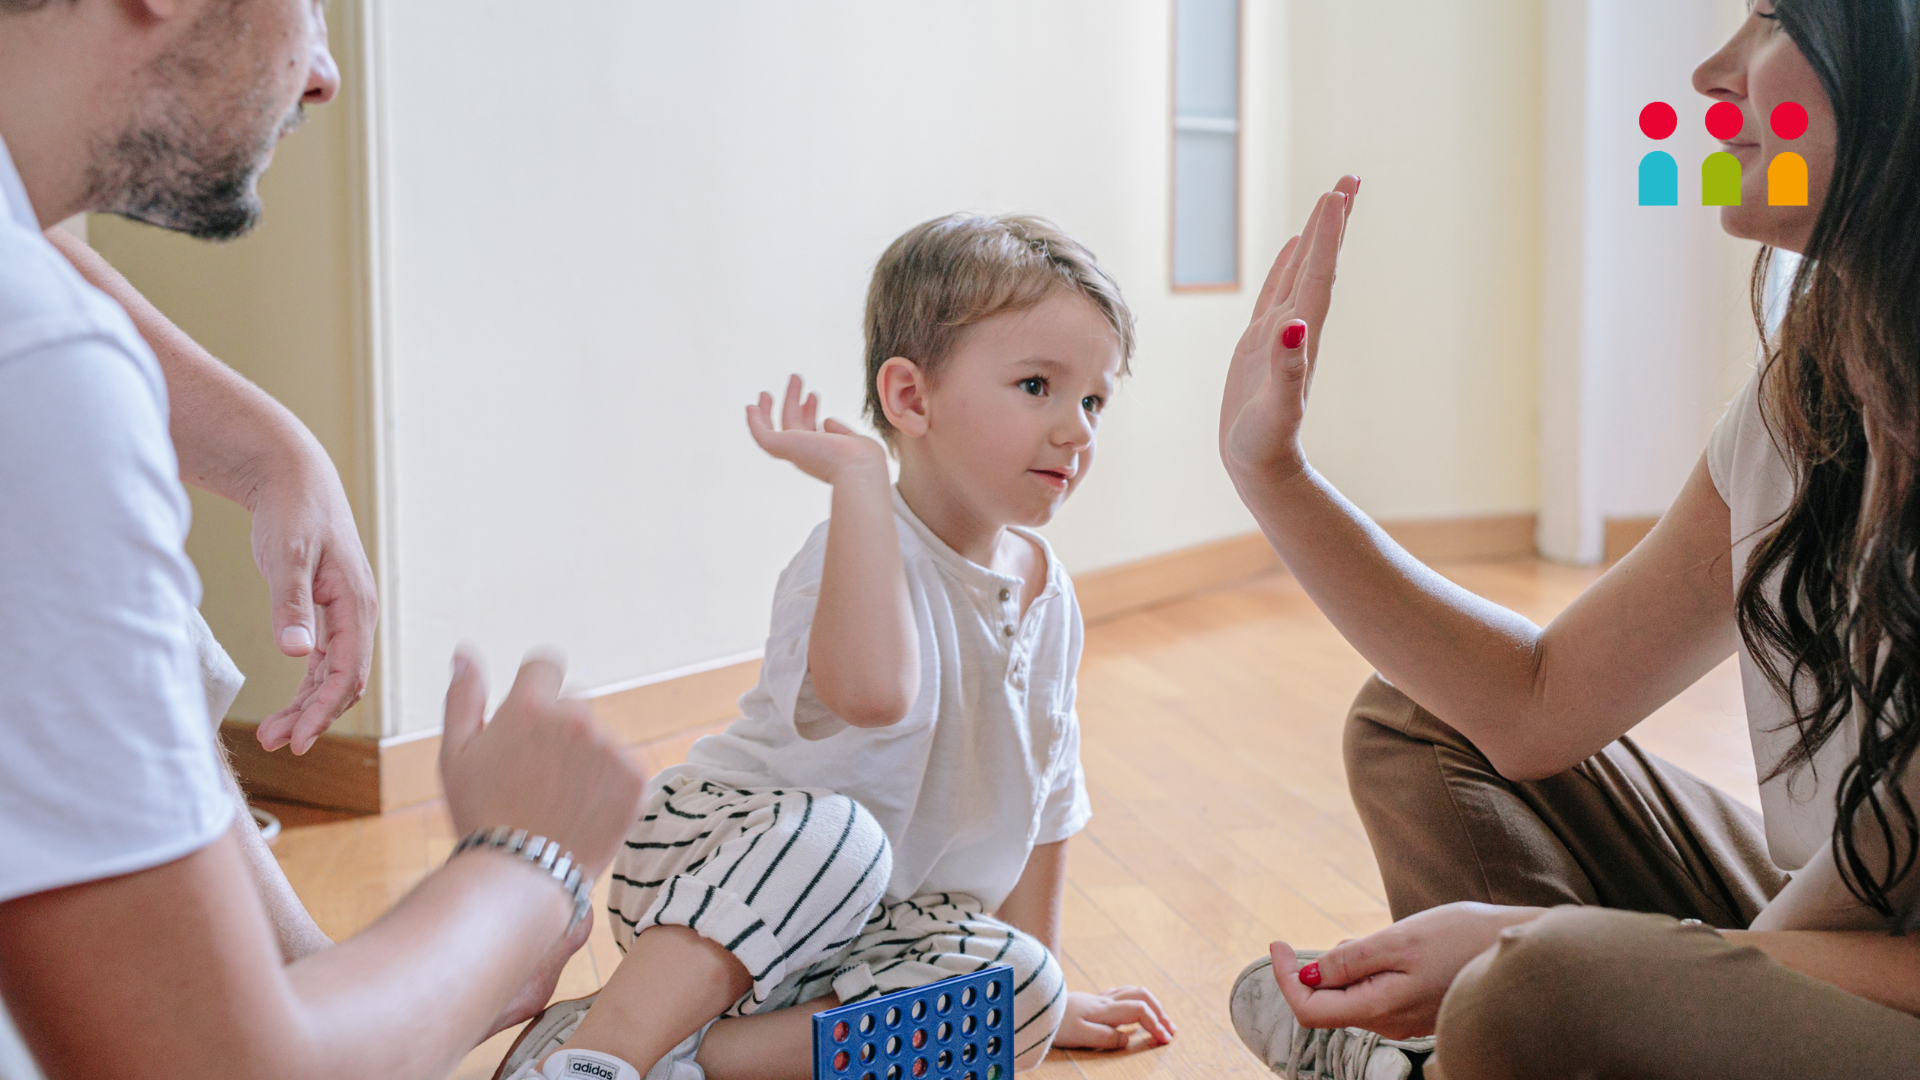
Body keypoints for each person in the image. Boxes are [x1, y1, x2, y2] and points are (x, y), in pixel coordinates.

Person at [1217, 2, 1920, 1078]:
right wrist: (1274, 474)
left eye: (1774, 17)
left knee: (1538, 983)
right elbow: (1539, 704)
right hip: (1836, 919)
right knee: (1419, 720)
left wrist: (1536, 957)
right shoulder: (1814, 382)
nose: (1708, 73)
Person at [0, 2, 648, 1077]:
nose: (323, 75)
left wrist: (266, 449)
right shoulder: (39, 374)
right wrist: (523, 867)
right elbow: (224, 1067)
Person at [494, 214, 1177, 1080]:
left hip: (875, 937)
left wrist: (1039, 980)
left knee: (1025, 993)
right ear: (909, 399)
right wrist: (858, 480)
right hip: (733, 879)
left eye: (1093, 400)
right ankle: (604, 1051)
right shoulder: (851, 551)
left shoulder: (1051, 591)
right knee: (845, 839)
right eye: (1038, 386)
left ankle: (690, 1060)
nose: (1077, 429)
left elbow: (1050, 792)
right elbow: (875, 693)